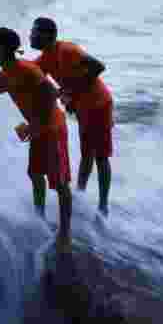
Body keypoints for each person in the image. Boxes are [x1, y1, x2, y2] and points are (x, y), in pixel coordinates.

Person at [0, 28, 73, 251]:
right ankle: (40, 219)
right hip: (39, 129)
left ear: (2, 49)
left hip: (52, 128)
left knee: (59, 183)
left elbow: (51, 95)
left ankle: (65, 233)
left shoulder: (26, 69)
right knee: (36, 174)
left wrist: (33, 124)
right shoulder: (6, 74)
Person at [29, 17, 113, 216]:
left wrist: (71, 91)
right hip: (83, 110)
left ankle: (103, 206)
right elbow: (29, 73)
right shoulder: (44, 58)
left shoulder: (68, 50)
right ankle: (81, 195)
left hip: (99, 105)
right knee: (87, 154)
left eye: (35, 32)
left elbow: (99, 66)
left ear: (48, 35)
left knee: (100, 156)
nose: (30, 36)